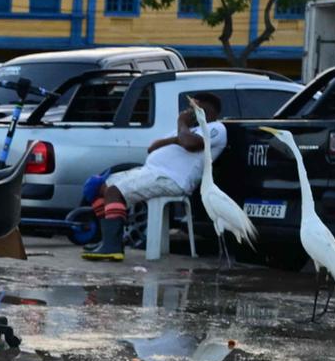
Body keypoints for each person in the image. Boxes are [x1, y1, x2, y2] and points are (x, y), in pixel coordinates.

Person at [84, 92, 228, 262]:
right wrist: (177, 138)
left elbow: (190, 144)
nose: (189, 111)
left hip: (172, 179)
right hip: (151, 171)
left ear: (204, 107)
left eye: (193, 107)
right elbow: (152, 147)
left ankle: (113, 248)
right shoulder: (186, 131)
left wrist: (181, 124)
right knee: (95, 186)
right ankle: (108, 240)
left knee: (114, 192)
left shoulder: (216, 128)